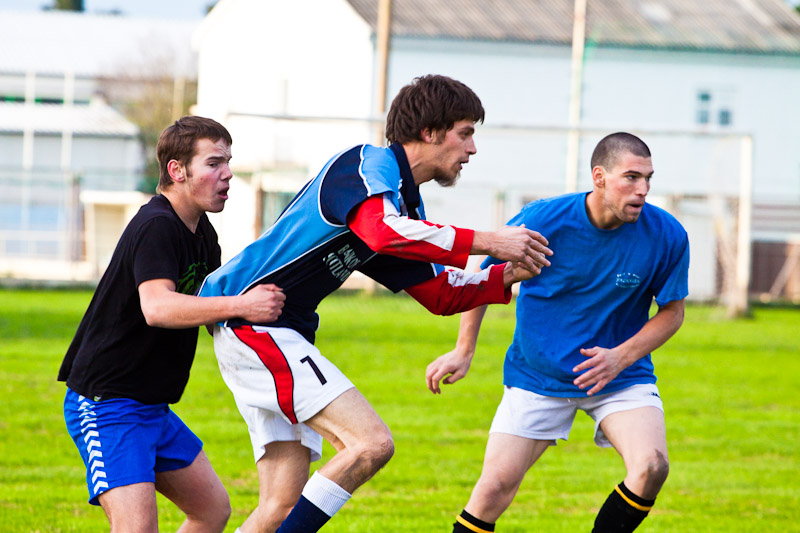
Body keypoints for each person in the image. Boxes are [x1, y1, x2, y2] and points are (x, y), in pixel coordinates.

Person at [197, 74, 553, 533]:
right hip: (254, 324)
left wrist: (506, 275)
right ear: (429, 132)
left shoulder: (400, 206)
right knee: (370, 444)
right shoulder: (365, 165)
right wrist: (487, 240)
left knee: (281, 507)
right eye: (465, 133)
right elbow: (382, 232)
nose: (472, 149)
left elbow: (441, 294)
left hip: (272, 333)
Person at [426, 132, 690, 533]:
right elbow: (485, 275)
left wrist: (620, 357)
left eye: (648, 179)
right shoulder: (544, 220)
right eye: (631, 177)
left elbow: (672, 313)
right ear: (599, 177)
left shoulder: (667, 235)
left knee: (651, 466)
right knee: (492, 490)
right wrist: (464, 349)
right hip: (538, 376)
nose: (643, 190)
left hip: (619, 376)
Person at [58, 116, 286, 533]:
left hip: (152, 407)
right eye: (214, 163)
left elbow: (212, 308)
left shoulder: (202, 234)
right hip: (108, 404)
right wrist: (242, 305)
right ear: (177, 170)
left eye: (228, 162)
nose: (228, 174)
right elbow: (158, 307)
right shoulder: (157, 225)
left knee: (211, 510)